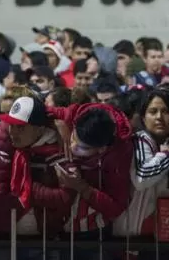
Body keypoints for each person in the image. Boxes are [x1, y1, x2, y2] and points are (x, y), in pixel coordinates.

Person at [44, 100, 134, 239]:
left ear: (102, 149)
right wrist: (55, 123)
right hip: (56, 224)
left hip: (92, 230)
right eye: (73, 138)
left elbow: (116, 207)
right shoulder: (75, 114)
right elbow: (36, 111)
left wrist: (82, 187)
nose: (72, 148)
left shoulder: (119, 155)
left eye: (83, 148)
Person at [0, 95, 72, 237]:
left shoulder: (59, 148)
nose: (13, 132)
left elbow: (65, 196)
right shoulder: (1, 143)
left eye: (20, 127)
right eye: (11, 125)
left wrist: (28, 187)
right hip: (6, 236)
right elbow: (0, 196)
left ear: (39, 129)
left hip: (46, 237)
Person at [113, 85, 169, 238]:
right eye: (153, 112)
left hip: (168, 229)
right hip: (133, 233)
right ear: (143, 117)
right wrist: (164, 154)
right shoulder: (140, 141)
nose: (159, 117)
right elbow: (142, 178)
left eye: (166, 111)